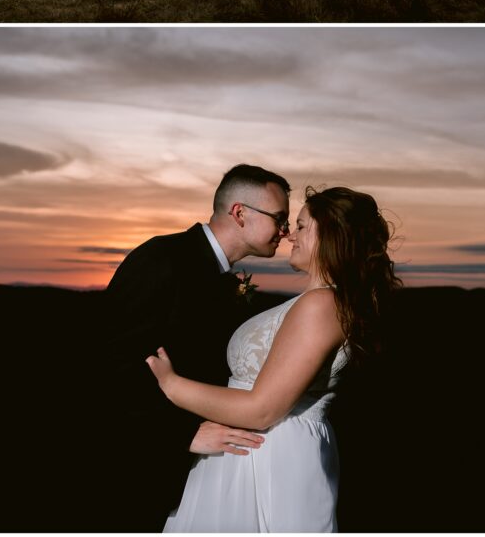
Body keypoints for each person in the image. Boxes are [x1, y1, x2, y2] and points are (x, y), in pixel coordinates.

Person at [146, 186, 401, 533]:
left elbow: (261, 408)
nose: (289, 235)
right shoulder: (316, 301)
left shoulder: (322, 305)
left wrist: (171, 384)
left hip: (269, 455)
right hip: (251, 449)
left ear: (331, 235)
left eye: (301, 226)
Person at [102, 163, 291, 532]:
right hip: (139, 467)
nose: (284, 231)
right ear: (240, 213)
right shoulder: (162, 260)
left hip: (195, 472)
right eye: (279, 218)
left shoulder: (217, 273)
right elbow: (111, 363)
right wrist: (180, 435)